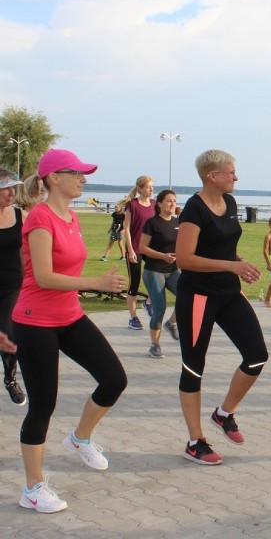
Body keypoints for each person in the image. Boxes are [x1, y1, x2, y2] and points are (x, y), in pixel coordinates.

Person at [13, 149, 128, 513]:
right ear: (52, 178)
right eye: (75, 173)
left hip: (70, 317)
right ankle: (32, 488)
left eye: (84, 174)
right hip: (34, 322)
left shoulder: (72, 217)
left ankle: (80, 438)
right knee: (43, 405)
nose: (83, 178)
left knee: (114, 379)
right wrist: (96, 281)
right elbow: (44, 276)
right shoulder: (39, 218)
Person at [174, 150, 268, 466]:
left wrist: (238, 263)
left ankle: (224, 412)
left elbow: (222, 246)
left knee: (257, 356)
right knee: (193, 366)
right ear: (212, 175)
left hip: (228, 293)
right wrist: (229, 265)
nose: (236, 177)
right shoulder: (194, 209)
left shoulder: (229, 203)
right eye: (230, 172)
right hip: (198, 297)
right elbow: (184, 259)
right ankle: (195, 441)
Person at [139, 189, 180, 358]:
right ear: (160, 203)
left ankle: (171, 323)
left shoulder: (178, 222)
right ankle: (154, 346)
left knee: (188, 294)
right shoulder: (152, 223)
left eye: (174, 201)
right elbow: (142, 248)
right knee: (160, 308)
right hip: (154, 271)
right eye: (169, 201)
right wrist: (163, 256)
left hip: (172, 270)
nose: (172, 204)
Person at [0, 168, 27, 405]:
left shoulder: (20, 215)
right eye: (6, 188)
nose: (11, 193)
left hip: (12, 286)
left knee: (9, 335)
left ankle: (10, 379)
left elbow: (24, 252)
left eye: (13, 188)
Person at [122, 176, 155, 330]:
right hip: (135, 249)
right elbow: (126, 228)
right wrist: (130, 250)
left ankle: (148, 302)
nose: (151, 190)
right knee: (134, 283)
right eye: (148, 187)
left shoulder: (155, 205)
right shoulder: (132, 205)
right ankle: (133, 318)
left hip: (150, 248)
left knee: (156, 277)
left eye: (152, 187)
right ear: (140, 188)